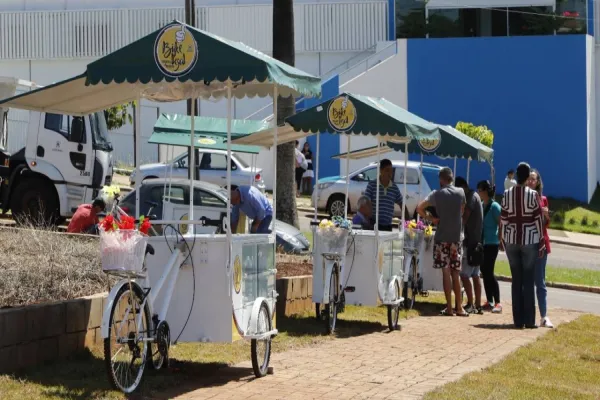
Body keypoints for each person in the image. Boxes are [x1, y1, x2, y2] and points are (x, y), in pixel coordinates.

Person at [500, 162, 545, 329]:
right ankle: (529, 320)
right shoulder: (533, 195)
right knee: (528, 279)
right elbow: (538, 219)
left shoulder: (507, 194)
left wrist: (502, 238)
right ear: (527, 178)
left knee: (516, 280)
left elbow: (503, 218)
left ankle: (518, 320)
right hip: (529, 239)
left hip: (511, 239)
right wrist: (541, 241)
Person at [417, 167, 468, 317]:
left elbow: (420, 208)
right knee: (456, 273)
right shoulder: (461, 192)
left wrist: (431, 218)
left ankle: (449, 308)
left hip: (441, 238)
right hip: (456, 238)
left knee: (445, 272)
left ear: (441, 179)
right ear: (452, 178)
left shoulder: (436, 194)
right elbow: (462, 211)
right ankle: (459, 307)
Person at [527, 169, 554, 328]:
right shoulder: (523, 199)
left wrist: (545, 214)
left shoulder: (543, 199)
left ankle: (544, 316)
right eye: (529, 179)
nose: (531, 181)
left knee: (540, 282)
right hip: (526, 244)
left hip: (541, 244)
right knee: (527, 282)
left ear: (538, 182)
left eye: (533, 179)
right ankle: (528, 315)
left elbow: (546, 224)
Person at [455, 177, 484, 315]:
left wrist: (455, 224)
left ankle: (471, 304)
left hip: (470, 242)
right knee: (475, 275)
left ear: (462, 187)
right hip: (476, 241)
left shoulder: (471, 197)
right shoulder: (475, 196)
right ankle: (477, 305)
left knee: (464, 275)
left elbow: (465, 217)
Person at [477, 180, 502, 313]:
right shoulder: (482, 205)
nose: (478, 192)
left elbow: (501, 223)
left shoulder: (494, 206)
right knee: (484, 271)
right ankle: (489, 300)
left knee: (489, 271)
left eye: (480, 190)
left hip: (492, 243)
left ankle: (497, 302)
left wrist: (500, 238)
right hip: (483, 243)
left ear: (486, 191)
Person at [364, 159, 403, 231]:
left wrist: (407, 222)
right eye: (387, 170)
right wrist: (367, 217)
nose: (390, 173)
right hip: (373, 225)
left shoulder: (394, 188)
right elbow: (365, 201)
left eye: (391, 171)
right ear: (381, 171)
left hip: (387, 226)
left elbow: (402, 204)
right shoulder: (372, 185)